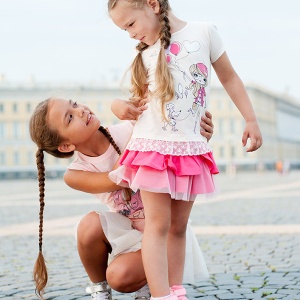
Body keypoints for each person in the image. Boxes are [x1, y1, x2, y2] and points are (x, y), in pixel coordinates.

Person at [107, 1, 263, 300]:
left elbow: (229, 77)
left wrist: (251, 119)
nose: (129, 34)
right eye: (124, 29)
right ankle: (160, 295)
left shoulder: (204, 32)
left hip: (189, 149)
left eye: (130, 25)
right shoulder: (143, 52)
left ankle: (176, 291)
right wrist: (118, 107)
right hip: (152, 147)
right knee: (158, 224)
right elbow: (135, 102)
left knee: (178, 227)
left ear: (152, 4)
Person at [29, 97, 215, 300]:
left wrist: (196, 131)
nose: (81, 110)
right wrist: (125, 115)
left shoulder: (126, 130)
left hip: (163, 232)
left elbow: (166, 125)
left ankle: (151, 284)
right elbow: (119, 178)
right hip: (128, 231)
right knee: (88, 227)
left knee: (120, 275)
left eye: (74, 104)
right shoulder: (75, 174)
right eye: (70, 117)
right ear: (65, 146)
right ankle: (100, 289)